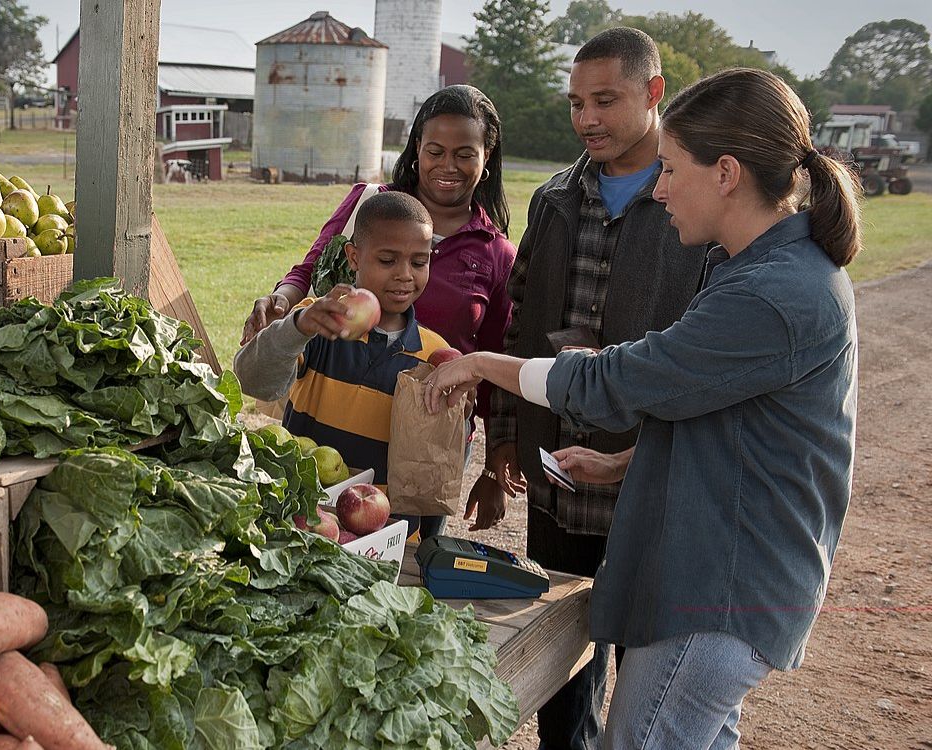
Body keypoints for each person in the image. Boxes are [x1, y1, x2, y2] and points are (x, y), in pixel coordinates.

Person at [426, 66, 861, 749]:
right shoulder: (760, 268)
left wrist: (481, 365)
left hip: (717, 592)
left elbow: (617, 382)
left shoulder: (772, 293)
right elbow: (726, 414)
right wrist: (628, 459)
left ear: (725, 173)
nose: (659, 188)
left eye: (669, 169)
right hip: (726, 582)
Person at [480, 27, 709, 750]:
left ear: (654, 93)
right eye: (577, 102)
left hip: (652, 472)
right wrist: (510, 435)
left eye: (605, 100)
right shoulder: (552, 199)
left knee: (645, 662)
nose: (587, 119)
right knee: (562, 658)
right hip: (556, 470)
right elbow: (518, 324)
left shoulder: (694, 208)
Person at [241, 84, 518, 537]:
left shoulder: (496, 253)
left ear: (486, 158)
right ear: (416, 150)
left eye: (465, 153)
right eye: (435, 150)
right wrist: (286, 309)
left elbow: (493, 366)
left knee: (404, 551)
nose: (448, 165)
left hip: (423, 436)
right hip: (333, 390)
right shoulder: (370, 204)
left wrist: (494, 465)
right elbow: (307, 268)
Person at [233, 192, 450, 501]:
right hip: (302, 509)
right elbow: (253, 381)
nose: (405, 274)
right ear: (353, 257)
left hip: (384, 526)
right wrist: (298, 327)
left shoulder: (433, 354)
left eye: (419, 262)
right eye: (387, 260)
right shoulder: (316, 321)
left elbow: (434, 456)